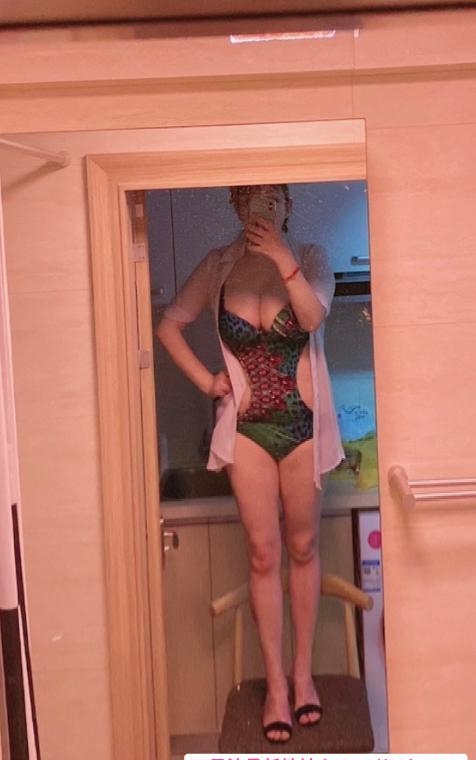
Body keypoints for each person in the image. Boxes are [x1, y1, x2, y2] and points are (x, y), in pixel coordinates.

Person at [156, 184, 344, 743]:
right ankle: (277, 687)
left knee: (303, 547)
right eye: (247, 197)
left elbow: (312, 317)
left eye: (270, 197)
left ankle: (304, 677)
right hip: (247, 429)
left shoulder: (310, 257)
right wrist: (206, 380)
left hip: (304, 423)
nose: (259, 205)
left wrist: (283, 259)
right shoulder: (219, 266)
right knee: (263, 554)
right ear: (235, 207)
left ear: (287, 205)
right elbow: (170, 325)